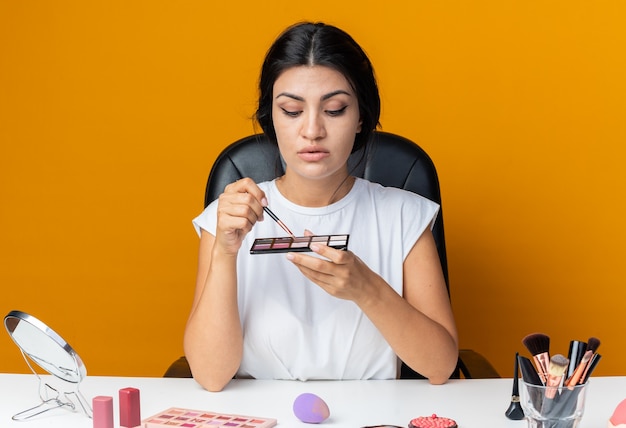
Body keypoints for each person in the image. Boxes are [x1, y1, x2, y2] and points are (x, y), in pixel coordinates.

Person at [184, 21, 458, 392]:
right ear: (272, 119)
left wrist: (367, 289)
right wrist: (225, 252)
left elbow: (440, 367)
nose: (312, 130)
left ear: (361, 116)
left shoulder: (405, 216)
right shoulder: (229, 217)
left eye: (334, 109)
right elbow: (210, 376)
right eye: (292, 111)